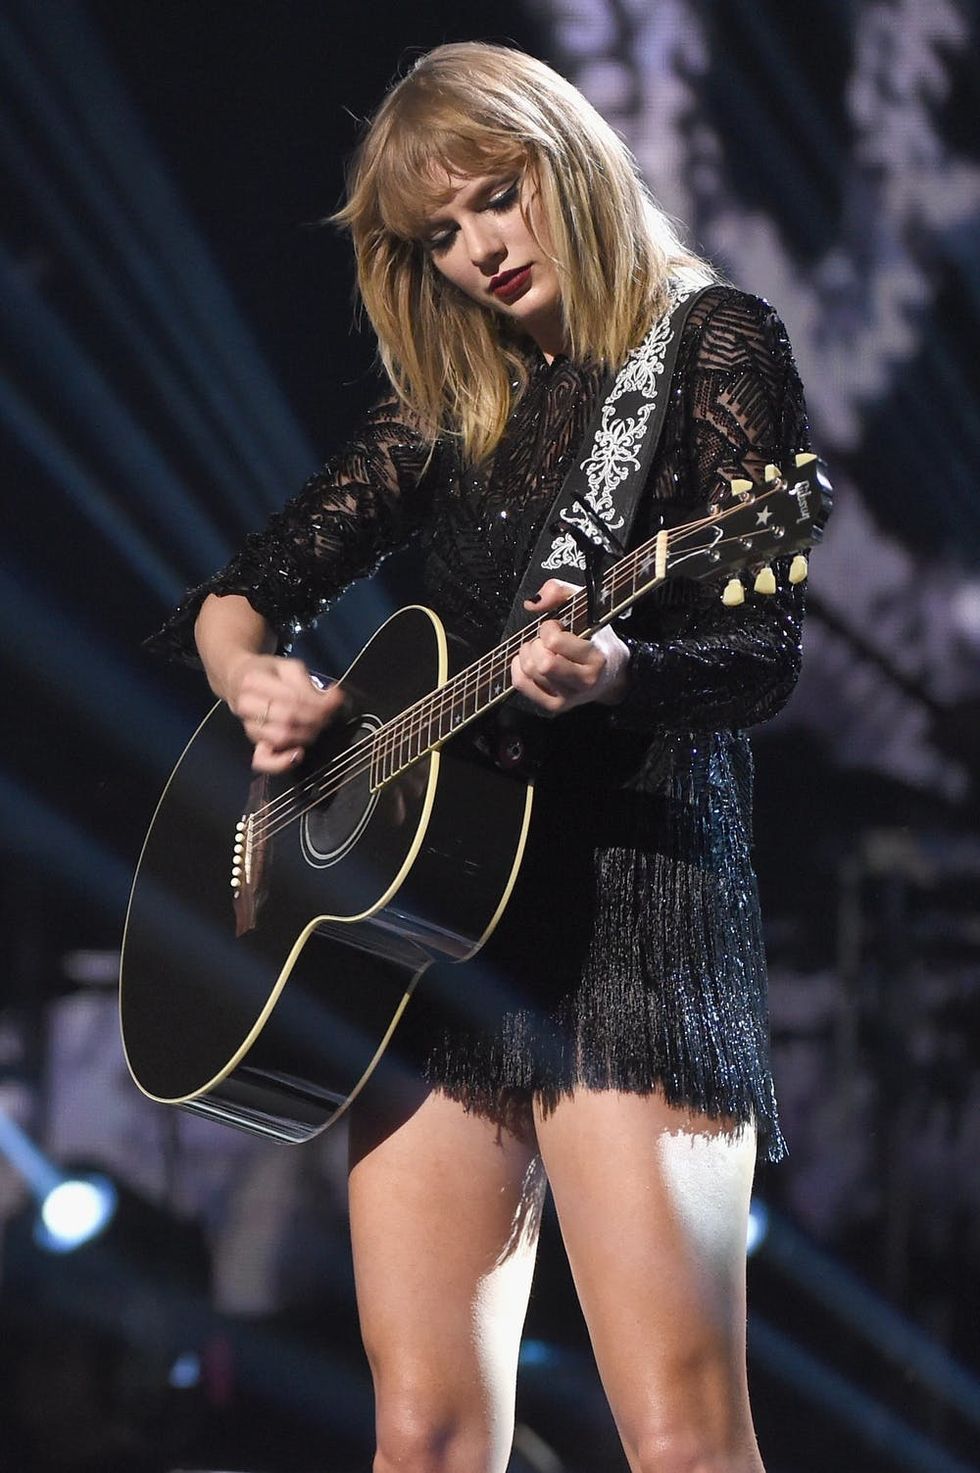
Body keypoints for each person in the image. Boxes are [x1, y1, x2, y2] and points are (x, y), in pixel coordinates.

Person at [151, 42, 811, 1473]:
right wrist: (254, 681)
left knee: (681, 1435)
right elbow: (241, 595)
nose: (478, 252)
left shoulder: (713, 344)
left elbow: (764, 655)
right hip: (434, 947)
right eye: (438, 236)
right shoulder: (458, 397)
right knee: (424, 1435)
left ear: (565, 160)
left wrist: (622, 668)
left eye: (495, 200)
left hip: (628, 920)